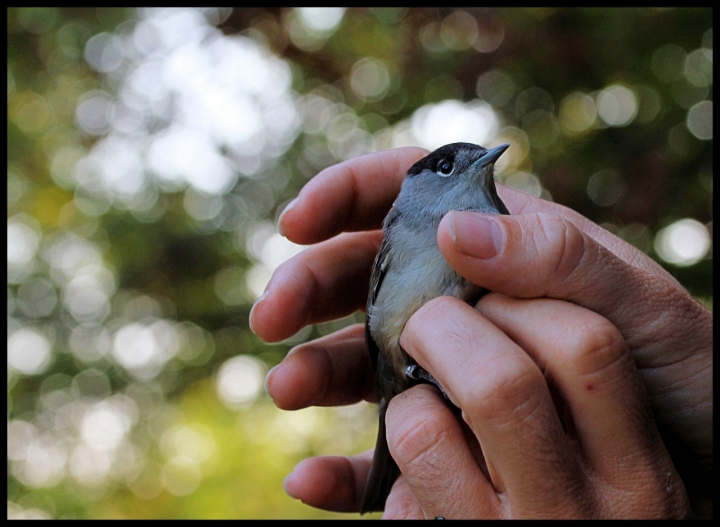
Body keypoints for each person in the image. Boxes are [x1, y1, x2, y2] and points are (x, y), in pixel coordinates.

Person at [249, 147, 712, 519]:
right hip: (403, 372)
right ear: (415, 188)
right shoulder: (403, 226)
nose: (477, 164)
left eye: (475, 158)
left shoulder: (504, 230)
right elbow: (381, 320)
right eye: (448, 167)